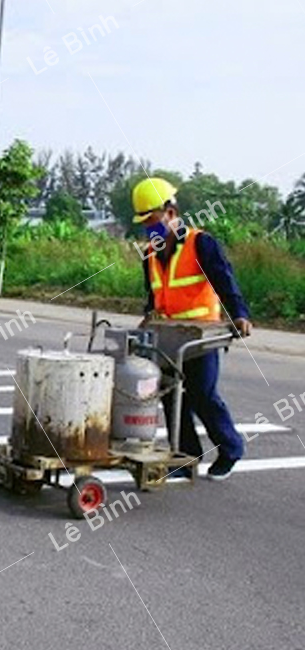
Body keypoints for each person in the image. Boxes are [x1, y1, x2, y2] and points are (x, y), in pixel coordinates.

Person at [133, 177, 251, 481]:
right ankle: (185, 458)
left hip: (201, 337)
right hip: (168, 337)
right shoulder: (149, 254)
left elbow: (225, 280)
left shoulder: (201, 243)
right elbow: (153, 295)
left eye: (154, 220)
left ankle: (231, 448)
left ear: (171, 213)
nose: (150, 228)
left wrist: (238, 314)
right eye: (145, 223)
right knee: (171, 396)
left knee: (202, 394)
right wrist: (148, 316)